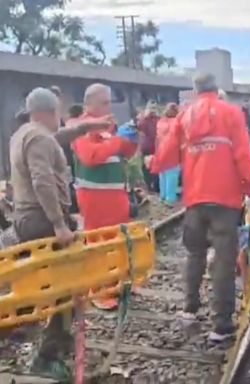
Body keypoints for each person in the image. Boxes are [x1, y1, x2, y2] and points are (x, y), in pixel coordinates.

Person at [147, 73, 250, 342]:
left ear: (196, 91)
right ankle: (221, 325)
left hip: (195, 200)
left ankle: (189, 308)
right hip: (224, 200)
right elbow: (243, 155)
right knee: (223, 260)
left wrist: (154, 166)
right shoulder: (230, 113)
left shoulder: (183, 117)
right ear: (216, 89)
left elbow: (166, 154)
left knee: (194, 254)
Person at [8, 88, 111, 377]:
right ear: (48, 112)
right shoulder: (39, 138)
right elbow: (42, 180)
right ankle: (48, 354)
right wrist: (59, 223)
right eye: (58, 113)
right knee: (65, 285)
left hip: (26, 218)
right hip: (42, 220)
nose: (61, 118)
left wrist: (89, 126)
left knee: (58, 284)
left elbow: (59, 139)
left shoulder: (24, 134)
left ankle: (60, 338)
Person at [72, 83, 137, 231]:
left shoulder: (107, 127)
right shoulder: (83, 127)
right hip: (97, 203)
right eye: (104, 103)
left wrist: (131, 141)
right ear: (88, 104)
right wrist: (117, 141)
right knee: (100, 246)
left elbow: (121, 155)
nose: (109, 107)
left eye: (109, 103)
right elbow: (91, 156)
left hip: (116, 200)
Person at [139, 100, 160, 193]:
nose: (153, 110)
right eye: (151, 108)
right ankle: (148, 186)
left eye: (154, 108)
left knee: (155, 167)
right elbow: (140, 131)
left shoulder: (158, 119)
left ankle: (155, 186)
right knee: (146, 168)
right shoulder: (143, 120)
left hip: (156, 147)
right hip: (146, 147)